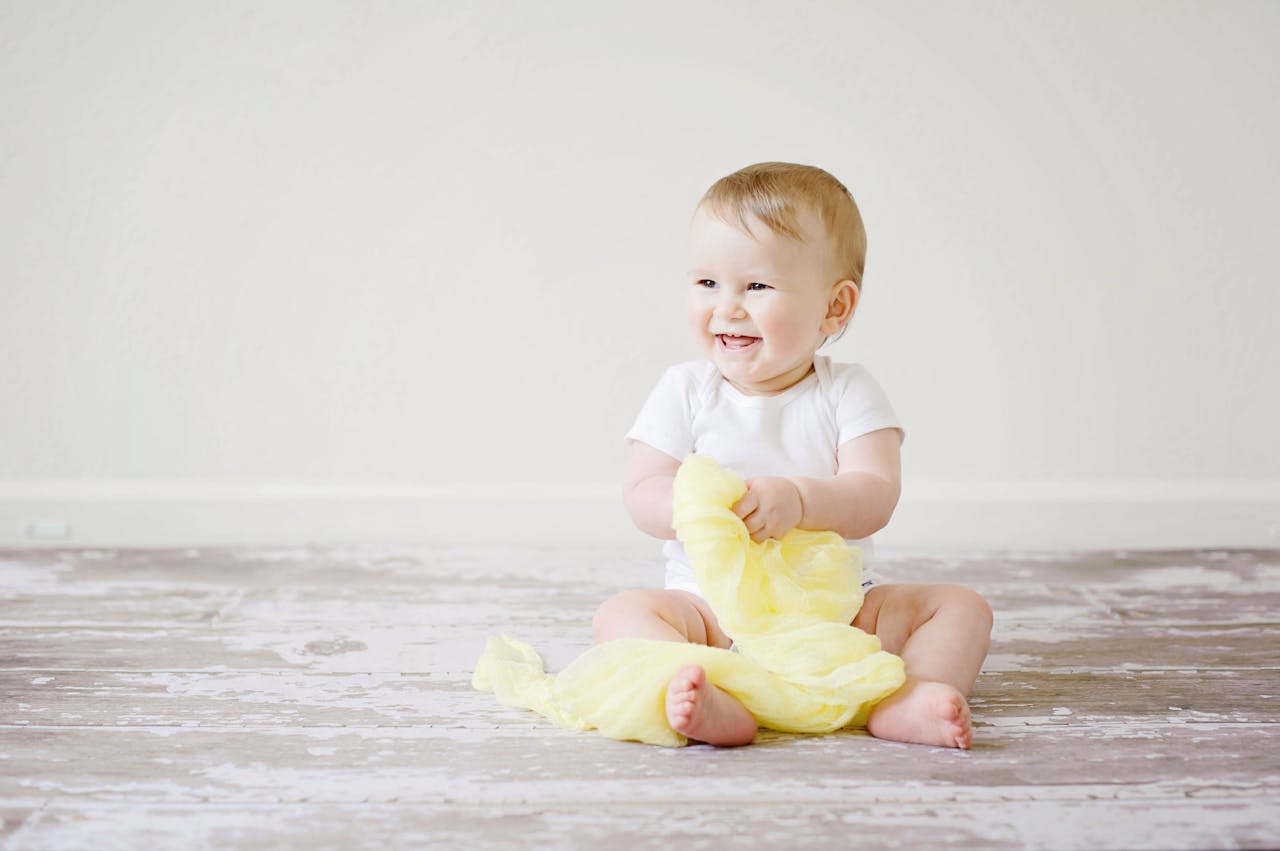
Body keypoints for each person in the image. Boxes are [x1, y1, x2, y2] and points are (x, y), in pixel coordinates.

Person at [592, 162, 993, 749]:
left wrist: (800, 499)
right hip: (710, 612)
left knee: (962, 608)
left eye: (756, 286)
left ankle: (912, 697)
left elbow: (875, 494)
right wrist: (701, 511)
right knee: (620, 615)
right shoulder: (684, 390)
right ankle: (713, 692)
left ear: (835, 307)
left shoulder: (847, 391)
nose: (726, 307)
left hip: (835, 614)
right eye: (707, 282)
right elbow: (642, 490)